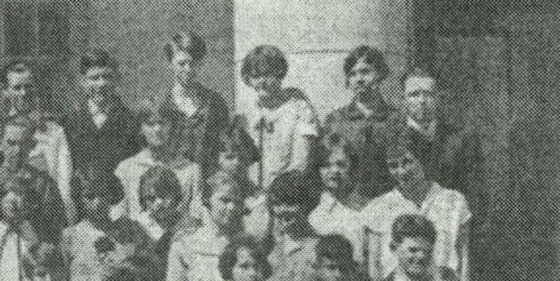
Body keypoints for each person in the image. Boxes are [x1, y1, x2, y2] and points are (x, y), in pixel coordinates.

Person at [365, 129, 472, 281]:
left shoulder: (454, 201)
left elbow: (464, 258)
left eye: (407, 162)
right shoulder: (378, 207)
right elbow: (375, 269)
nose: (401, 171)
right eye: (393, 166)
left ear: (423, 159)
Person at [163, 170, 245, 281]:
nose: (232, 207)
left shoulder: (243, 246)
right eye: (225, 200)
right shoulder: (185, 244)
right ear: (208, 200)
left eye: (236, 202)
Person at [400, 69, 486, 227]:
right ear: (403, 99)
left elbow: (474, 196)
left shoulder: (461, 140)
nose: (422, 101)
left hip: (448, 228)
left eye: (429, 94)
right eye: (414, 94)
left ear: (439, 98)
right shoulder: (389, 138)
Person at [0, 116, 65, 247]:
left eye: (23, 144)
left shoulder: (44, 183)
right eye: (11, 143)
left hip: (34, 255)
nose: (17, 150)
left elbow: (57, 229)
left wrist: (29, 214)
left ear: (32, 145)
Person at [237, 46, 320, 188]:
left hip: (289, 191)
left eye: (268, 75)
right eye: (256, 76)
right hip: (254, 193)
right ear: (248, 79)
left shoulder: (298, 108)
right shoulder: (248, 113)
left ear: (279, 74)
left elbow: (301, 161)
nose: (262, 81)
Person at [322, 45, 397, 201]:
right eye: (352, 74)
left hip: (388, 201)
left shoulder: (396, 118)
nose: (359, 79)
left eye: (365, 72)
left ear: (380, 74)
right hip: (345, 202)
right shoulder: (335, 120)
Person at [1, 61, 74, 220]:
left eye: (28, 87)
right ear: (5, 92)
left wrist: (66, 220)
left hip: (47, 214)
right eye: (17, 88)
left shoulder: (54, 131)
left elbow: (64, 182)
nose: (23, 93)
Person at [160, 32, 232, 183]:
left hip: (207, 183)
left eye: (193, 63)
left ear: (200, 64)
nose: (188, 69)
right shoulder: (160, 106)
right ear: (170, 64)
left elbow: (225, 149)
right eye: (181, 63)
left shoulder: (214, 103)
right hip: (169, 187)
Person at [63, 48, 139, 187]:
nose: (101, 84)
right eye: (94, 78)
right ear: (83, 81)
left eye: (107, 77)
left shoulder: (130, 122)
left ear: (116, 80)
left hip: (119, 199)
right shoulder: (69, 122)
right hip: (82, 201)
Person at [114, 100, 199, 224]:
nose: (157, 129)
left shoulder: (190, 170)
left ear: (171, 125)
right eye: (150, 124)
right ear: (140, 128)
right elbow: (118, 217)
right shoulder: (126, 169)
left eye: (162, 123)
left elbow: (195, 218)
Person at [311, 130, 370, 263]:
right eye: (326, 165)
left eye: (340, 164)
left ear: (351, 167)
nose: (334, 171)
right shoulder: (314, 216)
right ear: (318, 170)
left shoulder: (367, 208)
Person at [266, 170, 322, 281]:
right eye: (277, 204)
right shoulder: (268, 245)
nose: (282, 210)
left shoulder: (318, 247)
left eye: (290, 204)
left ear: (306, 206)